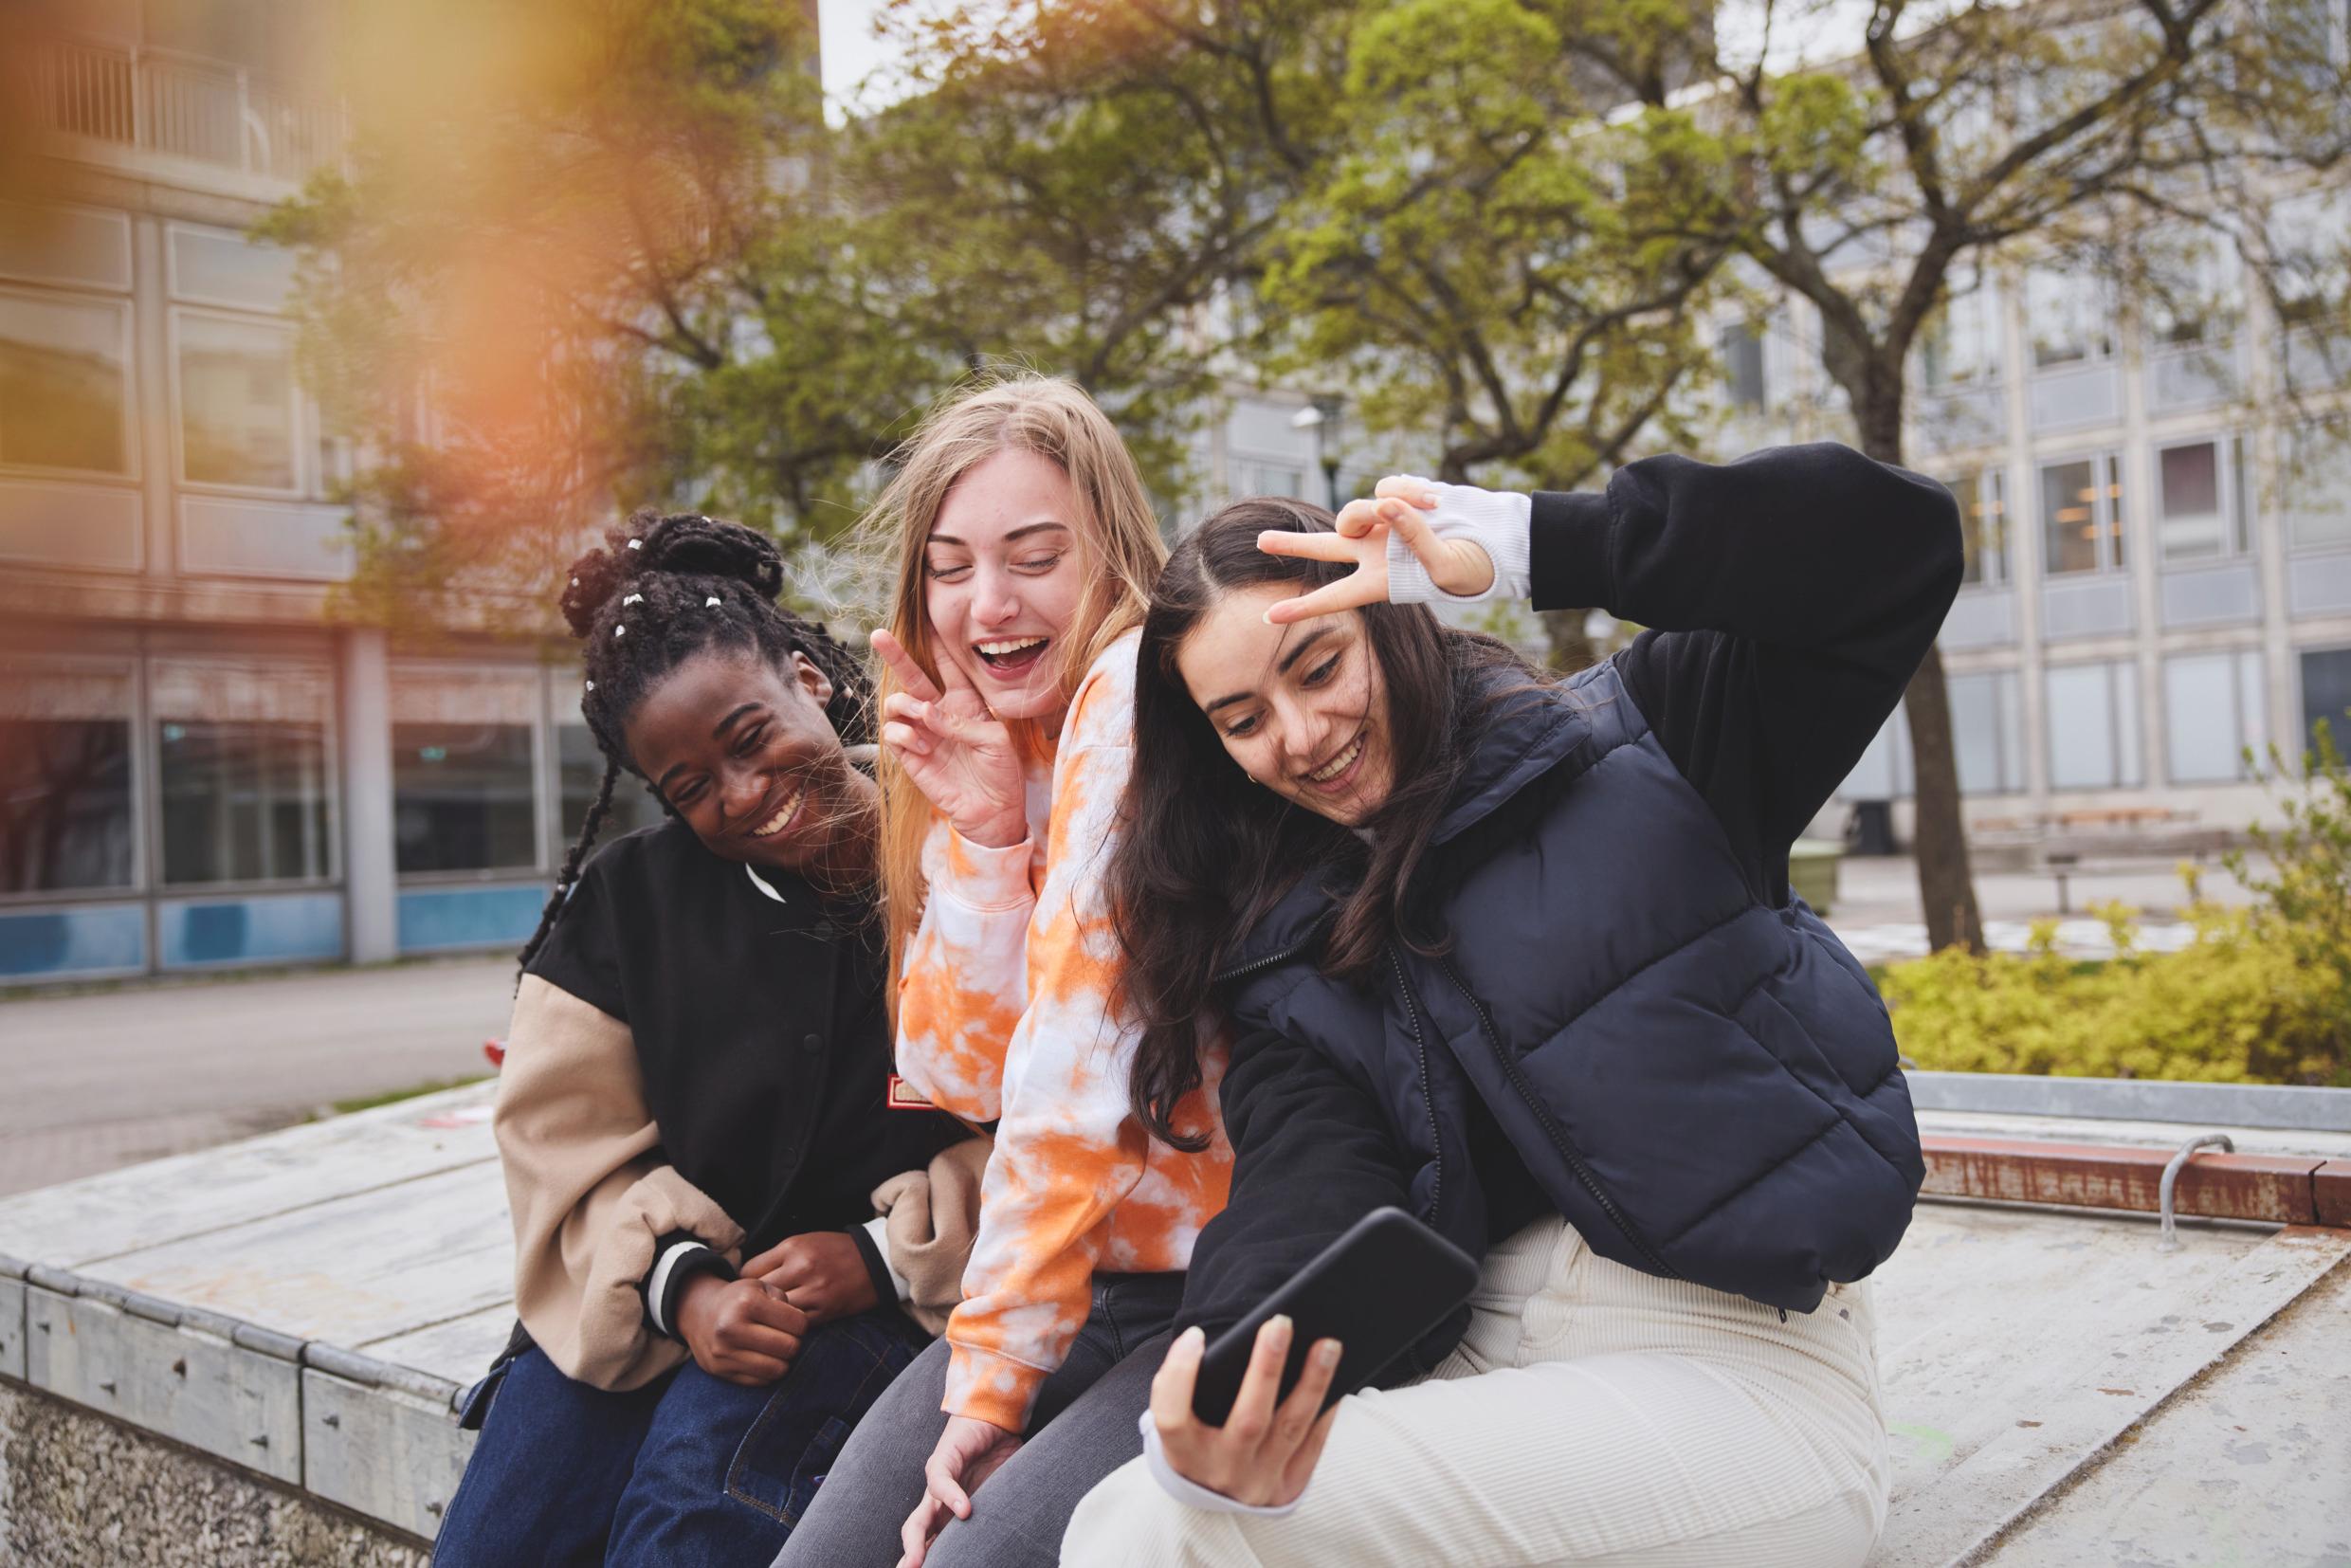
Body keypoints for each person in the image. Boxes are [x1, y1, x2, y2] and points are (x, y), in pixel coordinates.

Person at [1066, 444, 1961, 1566]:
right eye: (1242, 720)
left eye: (1315, 664)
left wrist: (1540, 544)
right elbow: (1302, 1186)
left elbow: (1892, 547)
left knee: (1155, 1537)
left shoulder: (1647, 747)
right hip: (1482, 1351)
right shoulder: (1292, 950)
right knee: (1153, 1506)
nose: (1297, 736)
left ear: (1389, 621)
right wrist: (1233, 1371)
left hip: (1737, 1365)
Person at [434, 511, 977, 1568]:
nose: (740, 795)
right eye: (688, 788)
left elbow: (1067, 1125)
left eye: (749, 736)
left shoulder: (965, 850)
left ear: (808, 685)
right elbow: (561, 1154)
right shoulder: (623, 905)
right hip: (659, 1302)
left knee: (692, 1525)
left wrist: (878, 1254)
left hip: (886, 1308)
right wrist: (682, 1286)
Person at [775, 375, 1233, 1568]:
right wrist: (984, 845)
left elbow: (1079, 1084)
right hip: (1095, 1274)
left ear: (1113, 556)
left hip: (1235, 1271)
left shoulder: (1135, 694)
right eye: (949, 566)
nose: (989, 602)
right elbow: (957, 1070)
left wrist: (988, 1384)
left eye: (1034, 556)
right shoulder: (999, 738)